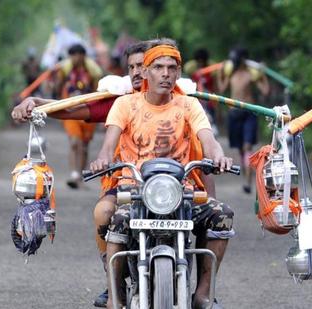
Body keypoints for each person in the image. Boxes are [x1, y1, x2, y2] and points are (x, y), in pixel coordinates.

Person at [90, 38, 235, 309]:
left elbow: (209, 139)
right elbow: (108, 146)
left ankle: (204, 292)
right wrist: (102, 159)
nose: (165, 74)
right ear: (144, 72)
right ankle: (114, 293)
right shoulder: (125, 105)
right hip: (134, 190)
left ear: (179, 73)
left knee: (222, 215)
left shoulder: (188, 105)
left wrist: (218, 155)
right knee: (115, 220)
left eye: (172, 67)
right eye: (158, 67)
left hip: (181, 191)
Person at [11, 41, 148, 308]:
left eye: (143, 66)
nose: (137, 72)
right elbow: (74, 107)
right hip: (126, 182)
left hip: (173, 184)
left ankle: (204, 289)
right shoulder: (120, 103)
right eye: (131, 66)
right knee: (103, 213)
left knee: (210, 217)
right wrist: (38, 103)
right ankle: (114, 281)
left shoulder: (183, 103)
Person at [217, 46, 269, 194]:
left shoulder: (251, 75)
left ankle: (248, 181)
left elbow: (265, 90)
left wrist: (262, 75)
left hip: (248, 114)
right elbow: (221, 89)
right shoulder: (231, 74)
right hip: (234, 115)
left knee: (247, 147)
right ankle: (247, 174)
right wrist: (221, 73)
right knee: (241, 149)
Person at [55, 44, 103, 189]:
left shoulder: (92, 71)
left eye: (78, 54)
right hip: (70, 110)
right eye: (73, 55)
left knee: (85, 145)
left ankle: (81, 175)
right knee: (75, 142)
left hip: (88, 110)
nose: (76, 58)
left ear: (83, 56)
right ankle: (74, 174)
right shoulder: (65, 70)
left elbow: (97, 90)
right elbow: (58, 87)